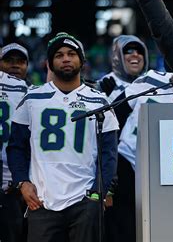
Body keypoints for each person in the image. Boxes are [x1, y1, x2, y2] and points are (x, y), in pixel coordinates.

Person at [7, 33, 119, 242]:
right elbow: (16, 147)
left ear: (82, 61)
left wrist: (98, 193)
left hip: (84, 200)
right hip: (41, 200)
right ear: (50, 63)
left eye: (71, 54)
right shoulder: (32, 98)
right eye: (59, 55)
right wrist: (22, 182)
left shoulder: (99, 100)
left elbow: (109, 152)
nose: (66, 59)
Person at [111, 70, 173, 242]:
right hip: (128, 157)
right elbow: (115, 112)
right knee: (123, 224)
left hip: (165, 170)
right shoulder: (152, 78)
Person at [0, 65, 28, 242]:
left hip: (14, 185)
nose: (14, 65)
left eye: (20, 60)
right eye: (9, 60)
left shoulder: (27, 90)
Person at [98, 35, 148, 103]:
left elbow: (163, 112)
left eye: (140, 51)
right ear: (117, 57)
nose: (136, 54)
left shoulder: (152, 84)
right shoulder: (102, 87)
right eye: (129, 50)